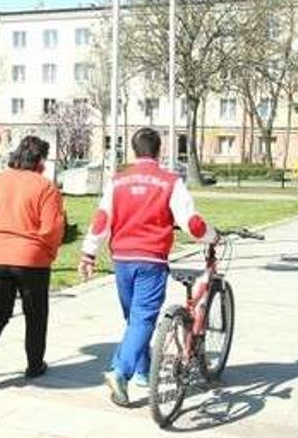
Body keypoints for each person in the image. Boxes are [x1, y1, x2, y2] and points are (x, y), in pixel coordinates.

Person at [79, 127, 217, 407]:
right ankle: (121, 372)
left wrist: (88, 253)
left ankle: (143, 370)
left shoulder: (117, 181)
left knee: (134, 319)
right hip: (151, 260)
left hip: (122, 261)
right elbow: (191, 223)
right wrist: (212, 235)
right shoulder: (169, 182)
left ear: (133, 150)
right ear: (159, 150)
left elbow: (102, 219)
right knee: (142, 320)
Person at [0, 135, 66, 389]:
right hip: (32, 259)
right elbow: (52, 228)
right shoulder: (45, 187)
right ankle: (34, 365)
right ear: (40, 160)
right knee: (36, 313)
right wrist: (48, 253)